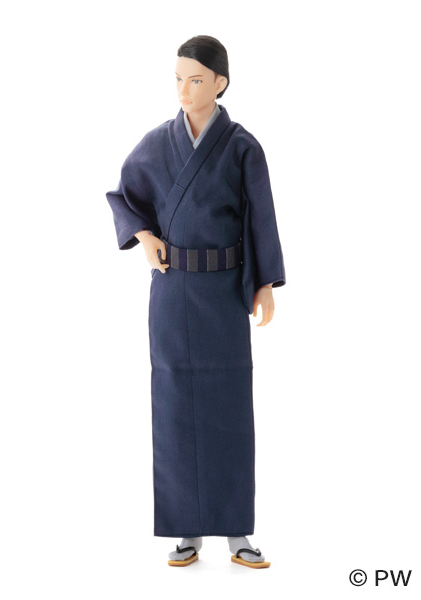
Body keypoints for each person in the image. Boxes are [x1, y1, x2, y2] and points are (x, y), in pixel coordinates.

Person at [106, 35, 286, 569]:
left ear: (220, 83)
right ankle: (185, 530)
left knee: (229, 407)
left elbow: (261, 217)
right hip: (172, 290)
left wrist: (263, 283)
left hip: (224, 291)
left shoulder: (242, 147)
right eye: (178, 79)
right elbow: (123, 196)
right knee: (174, 406)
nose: (184, 90)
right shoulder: (157, 143)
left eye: (196, 79)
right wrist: (144, 235)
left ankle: (236, 532)